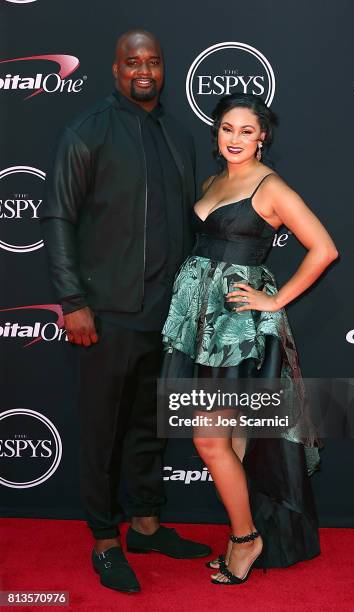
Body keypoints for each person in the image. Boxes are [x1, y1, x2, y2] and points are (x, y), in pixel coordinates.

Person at [40, 29, 211, 594]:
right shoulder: (86, 132)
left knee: (149, 427)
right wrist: (73, 302)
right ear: (115, 70)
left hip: (167, 314)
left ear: (164, 69)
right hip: (107, 312)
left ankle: (145, 524)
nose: (144, 70)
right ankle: (105, 541)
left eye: (154, 61)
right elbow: (59, 218)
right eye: (133, 61)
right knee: (101, 430)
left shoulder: (179, 136)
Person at [161, 92, 338, 585]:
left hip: (236, 331)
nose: (235, 138)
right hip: (199, 325)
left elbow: (323, 249)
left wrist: (274, 300)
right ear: (216, 134)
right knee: (231, 443)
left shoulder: (271, 186)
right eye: (227, 129)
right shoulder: (212, 180)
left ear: (263, 137)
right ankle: (246, 533)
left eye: (246, 130)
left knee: (210, 440)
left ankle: (246, 539)